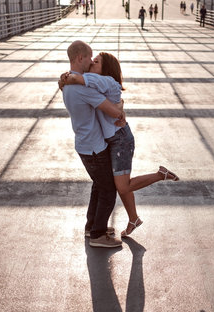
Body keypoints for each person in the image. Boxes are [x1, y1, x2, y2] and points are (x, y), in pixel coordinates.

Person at [59, 52, 180, 237]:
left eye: (96, 61)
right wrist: (66, 79)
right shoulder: (98, 82)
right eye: (91, 60)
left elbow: (82, 80)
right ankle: (133, 219)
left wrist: (69, 77)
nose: (92, 62)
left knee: (122, 186)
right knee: (119, 182)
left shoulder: (103, 80)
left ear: (106, 68)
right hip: (113, 139)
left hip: (120, 139)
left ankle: (160, 174)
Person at [61, 41, 127, 248]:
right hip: (94, 147)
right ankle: (98, 234)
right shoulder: (81, 89)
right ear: (80, 58)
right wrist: (120, 113)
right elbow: (112, 111)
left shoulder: (68, 85)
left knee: (99, 186)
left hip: (84, 143)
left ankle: (93, 226)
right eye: (90, 58)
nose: (91, 62)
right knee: (108, 190)